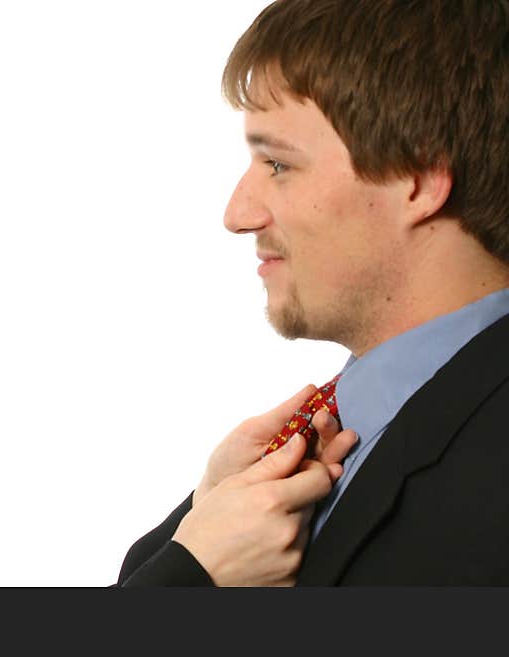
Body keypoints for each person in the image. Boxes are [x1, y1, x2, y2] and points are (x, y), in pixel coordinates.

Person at [118, 0, 509, 586]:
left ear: (418, 180)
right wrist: (191, 553)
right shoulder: (301, 448)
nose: (237, 214)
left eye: (277, 163)